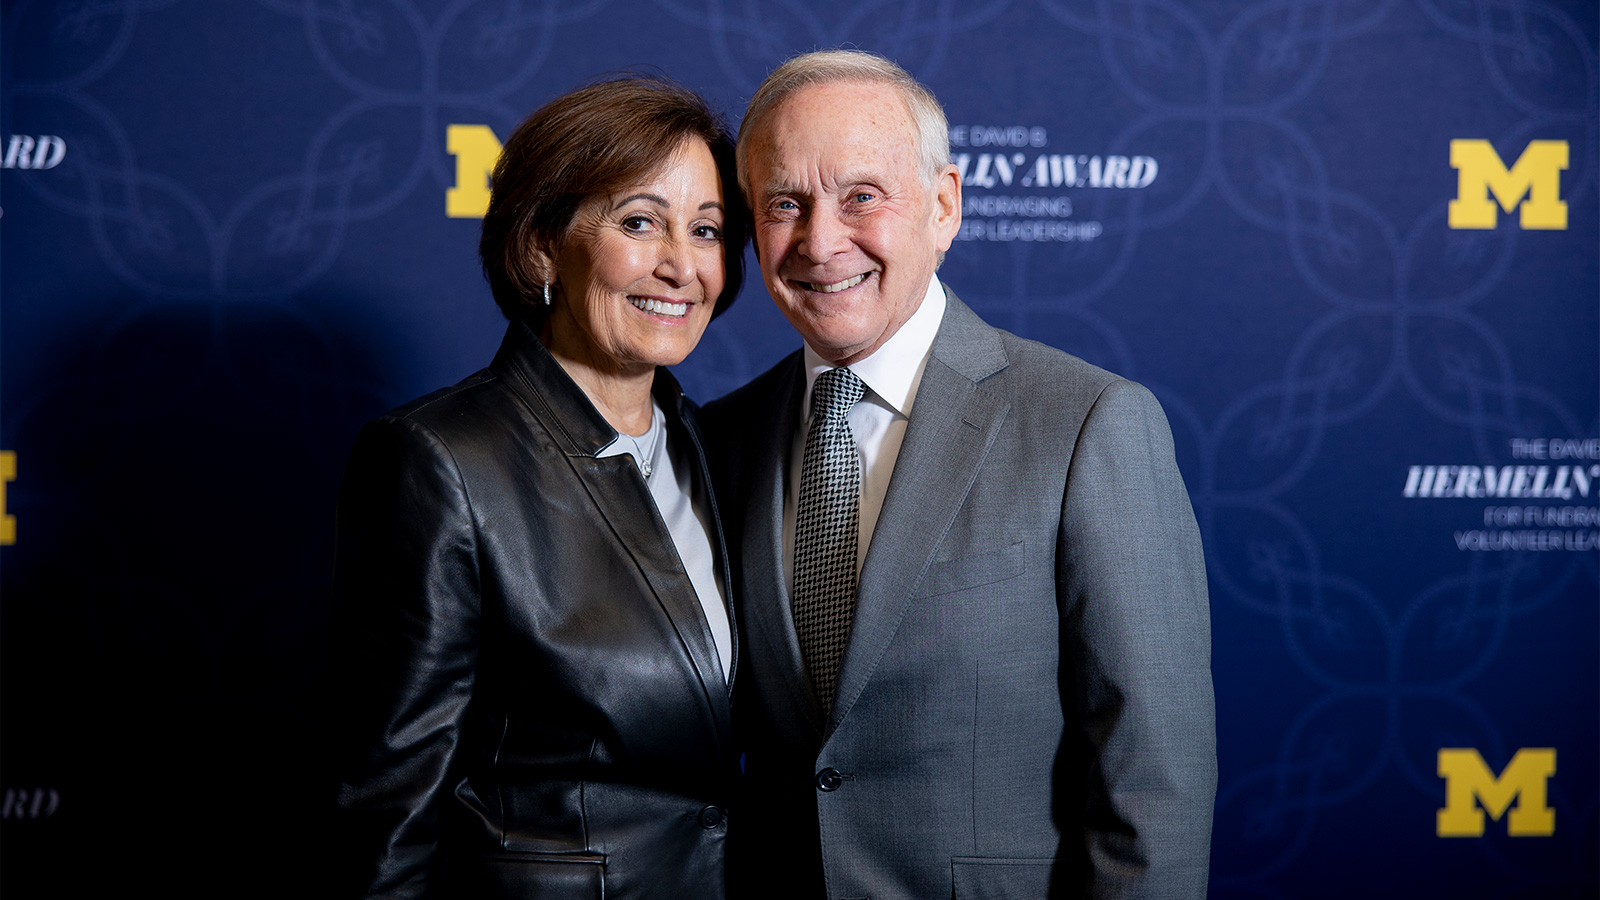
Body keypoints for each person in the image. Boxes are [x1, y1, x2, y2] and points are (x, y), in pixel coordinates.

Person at [703, 50, 1216, 899]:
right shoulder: (721, 437)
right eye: (784, 204)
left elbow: (1153, 775)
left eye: (862, 196)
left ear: (944, 206)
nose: (821, 242)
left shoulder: (1088, 422)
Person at [328, 75, 746, 898]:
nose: (680, 265)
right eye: (639, 222)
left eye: (706, 231)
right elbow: (386, 802)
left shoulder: (715, 448)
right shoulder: (437, 458)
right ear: (540, 245)